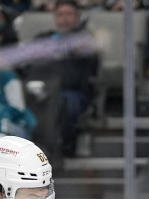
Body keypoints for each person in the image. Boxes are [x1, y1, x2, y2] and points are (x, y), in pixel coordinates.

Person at [28, 0, 100, 158]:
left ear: (78, 17)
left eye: (69, 14)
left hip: (71, 93)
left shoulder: (84, 40)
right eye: (60, 14)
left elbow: (91, 64)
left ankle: (63, 149)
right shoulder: (43, 38)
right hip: (42, 91)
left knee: (65, 103)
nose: (64, 19)